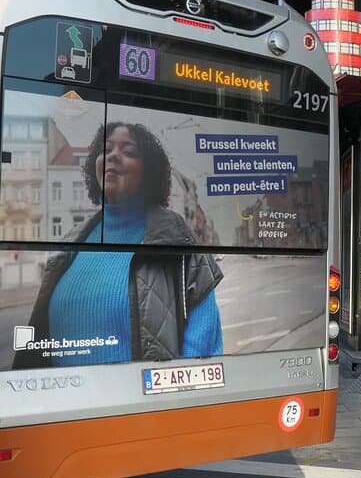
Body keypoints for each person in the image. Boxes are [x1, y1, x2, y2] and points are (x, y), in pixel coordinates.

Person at [14, 122, 223, 368]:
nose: (113, 155)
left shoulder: (178, 237)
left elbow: (202, 355)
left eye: (129, 151)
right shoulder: (71, 243)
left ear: (149, 171)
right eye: (107, 149)